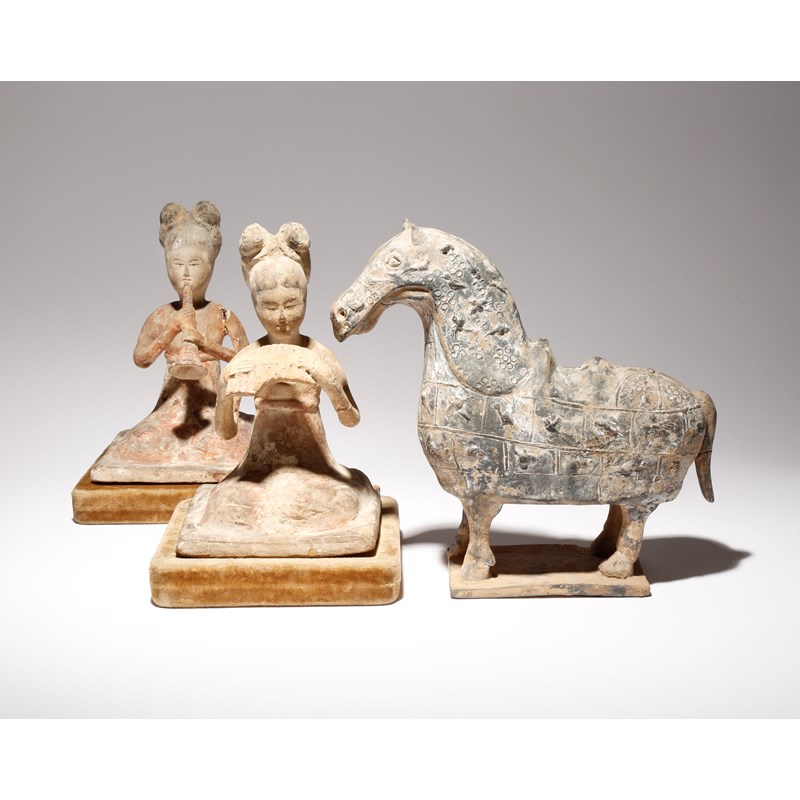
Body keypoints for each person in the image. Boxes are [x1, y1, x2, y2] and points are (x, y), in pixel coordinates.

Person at [175, 222, 380, 557]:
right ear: (255, 303)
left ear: (306, 299)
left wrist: (330, 384)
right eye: (269, 307)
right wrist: (226, 392)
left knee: (336, 500)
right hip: (257, 469)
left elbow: (351, 419)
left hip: (314, 467)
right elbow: (226, 433)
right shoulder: (247, 356)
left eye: (292, 304)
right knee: (227, 503)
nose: (282, 317)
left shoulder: (318, 353)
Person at [91, 202, 252, 483]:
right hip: (171, 408)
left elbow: (248, 362)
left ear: (211, 265)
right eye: (177, 264)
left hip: (214, 406)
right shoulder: (164, 315)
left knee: (232, 441)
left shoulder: (221, 314)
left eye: (194, 264)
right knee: (142, 443)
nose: (185, 274)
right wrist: (172, 329)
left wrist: (206, 346)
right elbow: (141, 359)